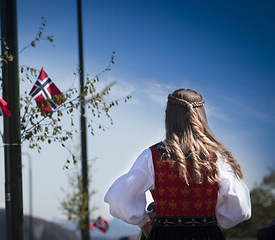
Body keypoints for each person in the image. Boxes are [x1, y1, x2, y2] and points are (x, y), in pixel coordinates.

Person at [104, 89, 251, 239]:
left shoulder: (153, 155)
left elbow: (119, 197)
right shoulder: (216, 157)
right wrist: (209, 215)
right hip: (207, 235)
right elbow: (240, 209)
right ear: (201, 116)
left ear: (169, 116)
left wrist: (143, 221)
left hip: (165, 235)